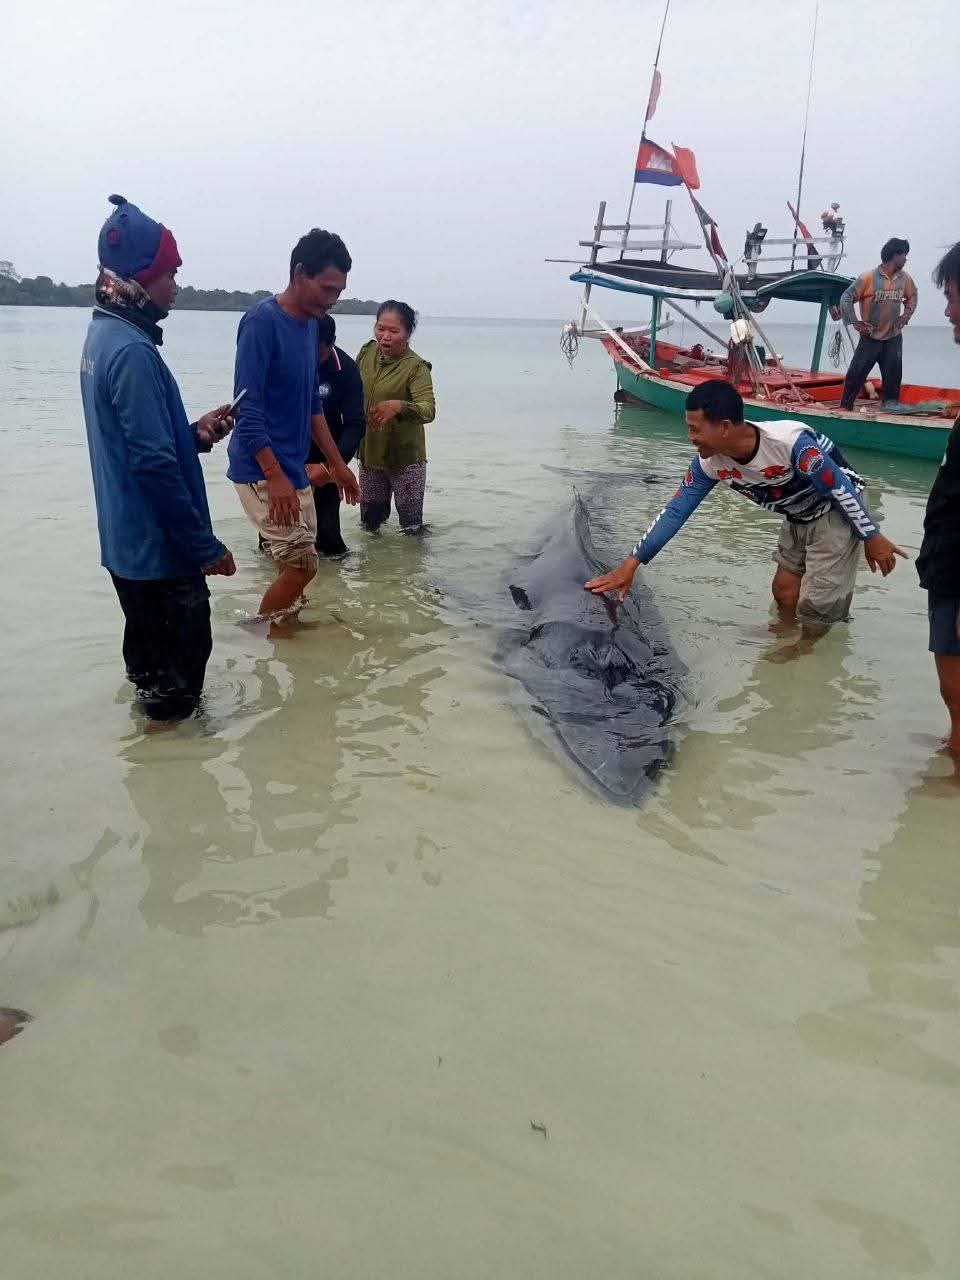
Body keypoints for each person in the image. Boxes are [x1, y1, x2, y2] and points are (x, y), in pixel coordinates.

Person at [80, 194, 237, 721]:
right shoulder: (131, 353)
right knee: (178, 699)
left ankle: (152, 782)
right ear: (141, 276)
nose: (176, 284)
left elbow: (135, 446)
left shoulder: (104, 335)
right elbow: (152, 466)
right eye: (169, 272)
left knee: (149, 680)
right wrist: (205, 547)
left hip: (128, 549)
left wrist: (193, 433)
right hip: (161, 554)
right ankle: (177, 788)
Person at [585, 379, 905, 632]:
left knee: (819, 608)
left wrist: (871, 537)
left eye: (695, 429)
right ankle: (786, 635)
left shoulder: (792, 447)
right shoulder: (709, 464)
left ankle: (808, 653)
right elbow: (675, 511)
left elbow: (841, 488)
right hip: (797, 513)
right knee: (783, 593)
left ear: (724, 426)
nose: (689, 437)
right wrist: (632, 563)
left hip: (837, 509)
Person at [228, 229, 360, 620]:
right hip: (262, 468)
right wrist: (276, 475)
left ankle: (285, 647)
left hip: (292, 466)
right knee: (304, 565)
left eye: (339, 291)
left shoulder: (310, 327)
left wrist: (339, 467)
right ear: (300, 273)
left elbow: (312, 409)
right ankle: (254, 634)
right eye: (327, 288)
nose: (333, 300)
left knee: (297, 564)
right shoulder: (261, 322)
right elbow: (246, 409)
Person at [916, 241, 960, 754]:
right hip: (949, 562)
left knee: (958, 684)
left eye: (951, 294)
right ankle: (955, 745)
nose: (946, 308)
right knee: (954, 688)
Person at [357, 301, 436, 534]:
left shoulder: (416, 368)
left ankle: (412, 570)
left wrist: (399, 406)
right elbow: (348, 387)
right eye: (380, 328)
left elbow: (428, 410)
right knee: (369, 527)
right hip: (370, 455)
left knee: (411, 529)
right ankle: (374, 571)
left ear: (408, 333)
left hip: (406, 459)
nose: (385, 337)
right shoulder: (367, 352)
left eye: (394, 331)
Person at [305, 314, 366, 558]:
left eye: (317, 355)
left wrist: (332, 467)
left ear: (331, 344)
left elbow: (355, 423)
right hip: (284, 459)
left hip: (327, 457)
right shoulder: (285, 361)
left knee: (328, 537)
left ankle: (334, 593)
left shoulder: (347, 370)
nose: (311, 361)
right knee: (278, 539)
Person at [839, 237, 917, 409]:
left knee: (893, 378)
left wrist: (906, 316)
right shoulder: (868, 278)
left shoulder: (905, 279)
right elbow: (846, 298)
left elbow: (913, 296)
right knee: (856, 375)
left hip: (893, 337)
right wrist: (855, 323)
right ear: (894, 255)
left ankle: (890, 412)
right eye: (904, 255)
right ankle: (845, 408)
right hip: (870, 337)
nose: (906, 259)